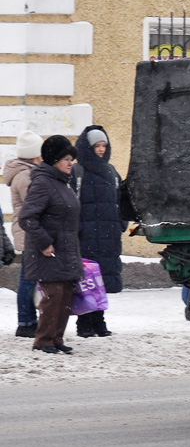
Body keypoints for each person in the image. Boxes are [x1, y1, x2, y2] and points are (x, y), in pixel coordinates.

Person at [19, 135, 84, 354]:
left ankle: (56, 338)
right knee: (53, 296)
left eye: (71, 158)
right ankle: (43, 340)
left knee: (65, 296)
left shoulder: (62, 183)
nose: (70, 163)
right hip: (49, 252)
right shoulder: (42, 182)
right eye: (66, 158)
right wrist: (45, 243)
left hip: (66, 250)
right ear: (54, 160)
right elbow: (27, 218)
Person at [73, 126, 125, 338]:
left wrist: (120, 223)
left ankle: (99, 321)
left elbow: (121, 201)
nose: (101, 149)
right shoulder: (78, 172)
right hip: (86, 237)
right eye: (97, 146)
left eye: (104, 145)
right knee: (87, 281)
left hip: (108, 236)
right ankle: (84, 322)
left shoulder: (111, 172)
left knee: (101, 281)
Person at [3, 130, 43, 337]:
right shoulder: (26, 175)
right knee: (28, 279)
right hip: (29, 233)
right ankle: (26, 322)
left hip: (26, 231)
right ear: (35, 154)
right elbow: (37, 205)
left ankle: (28, 320)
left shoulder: (25, 172)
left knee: (28, 277)